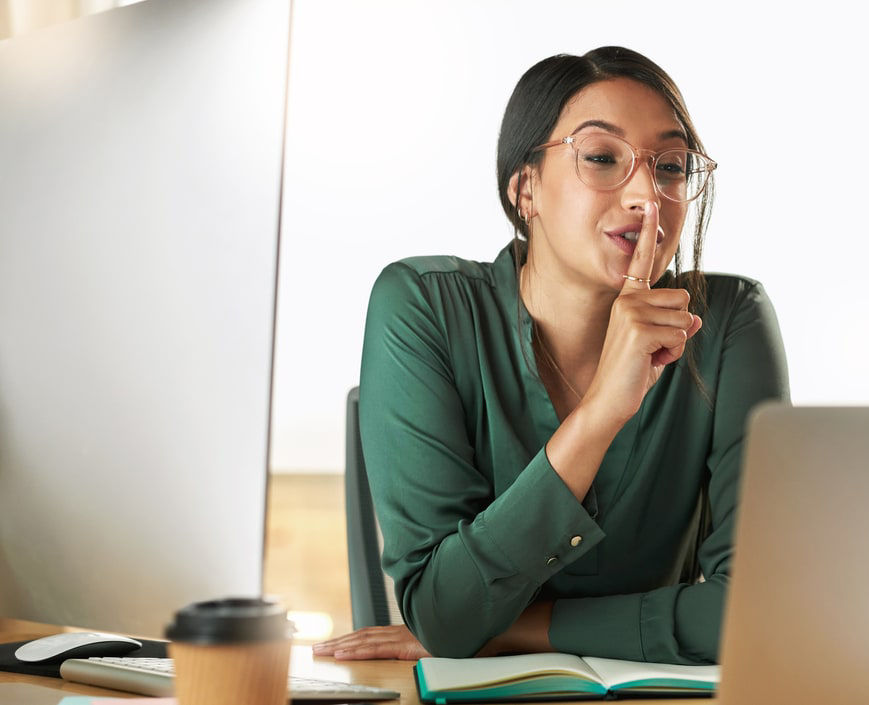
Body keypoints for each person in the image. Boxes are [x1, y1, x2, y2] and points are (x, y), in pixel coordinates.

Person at [313, 46, 788, 667]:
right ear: (525, 188)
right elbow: (442, 613)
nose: (649, 193)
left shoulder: (728, 321)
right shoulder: (420, 308)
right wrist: (600, 415)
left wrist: (515, 629)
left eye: (670, 166)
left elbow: (754, 613)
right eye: (600, 158)